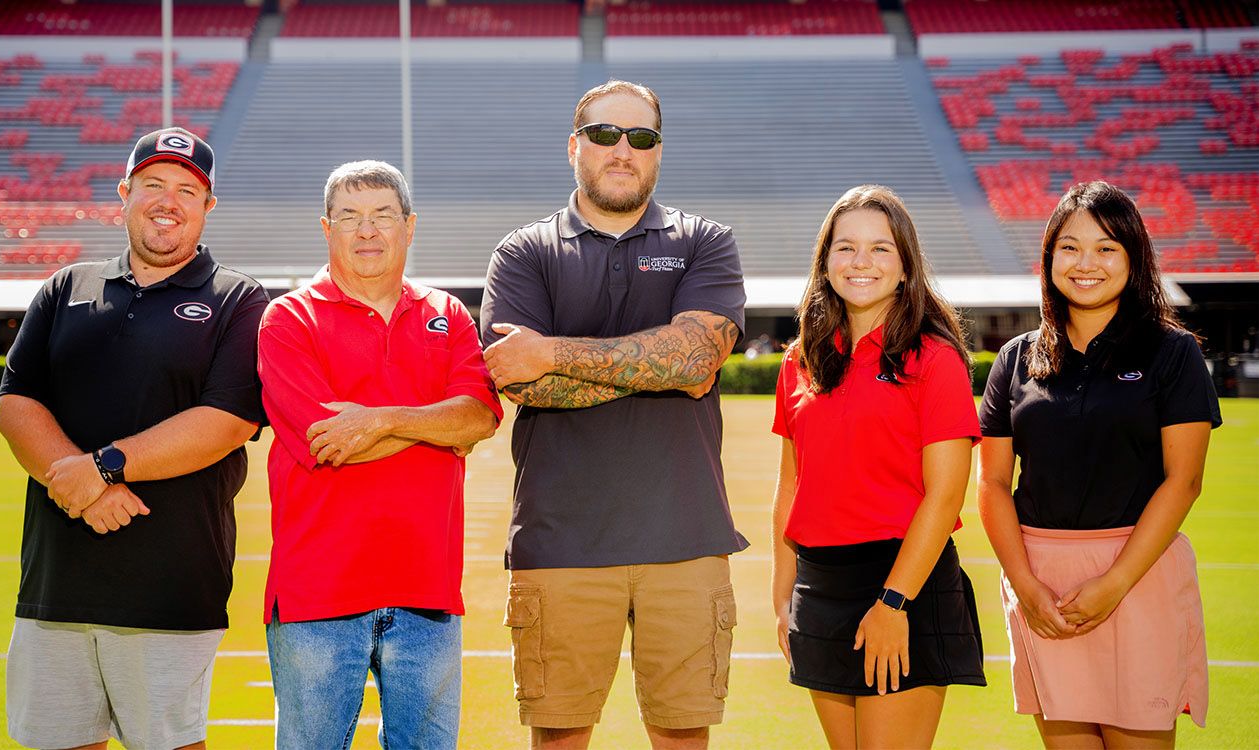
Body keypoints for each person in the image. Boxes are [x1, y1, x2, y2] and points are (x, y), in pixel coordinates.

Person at [479, 80, 747, 749]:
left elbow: (694, 360)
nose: (622, 150)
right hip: (561, 541)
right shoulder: (523, 252)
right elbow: (525, 385)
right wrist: (658, 367)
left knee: (683, 736)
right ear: (575, 146)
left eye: (642, 137)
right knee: (561, 736)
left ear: (659, 153)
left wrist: (555, 352)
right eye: (604, 134)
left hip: (685, 538)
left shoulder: (705, 240)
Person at [0, 127, 267, 750]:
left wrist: (108, 465)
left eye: (186, 189)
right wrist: (81, 481)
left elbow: (227, 420)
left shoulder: (237, 298)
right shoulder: (66, 287)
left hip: (170, 584)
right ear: (124, 193)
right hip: (55, 579)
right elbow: (16, 403)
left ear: (207, 206)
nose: (167, 200)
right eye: (153, 184)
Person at [257, 160, 502, 750]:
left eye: (383, 216)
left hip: (428, 591)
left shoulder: (447, 314)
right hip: (319, 594)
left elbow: (480, 415)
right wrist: (435, 429)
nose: (367, 231)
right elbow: (327, 441)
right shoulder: (288, 319)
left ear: (410, 226)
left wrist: (379, 419)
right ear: (326, 229)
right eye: (350, 217)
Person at [977, 181, 1219, 748]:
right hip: (1041, 587)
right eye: (1070, 247)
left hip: (1138, 575)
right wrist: (1024, 586)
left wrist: (1115, 582)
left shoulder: (1172, 352)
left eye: (1107, 247)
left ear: (1133, 259)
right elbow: (990, 483)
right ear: (1049, 257)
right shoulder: (1015, 359)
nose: (1087, 263)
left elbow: (1184, 482)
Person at [771, 185, 986, 749]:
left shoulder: (935, 360)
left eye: (880, 248)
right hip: (820, 584)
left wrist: (894, 602)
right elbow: (792, 484)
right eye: (845, 248)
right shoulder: (801, 360)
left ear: (906, 265)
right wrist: (783, 590)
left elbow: (945, 497)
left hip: (902, 582)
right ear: (825, 262)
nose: (860, 261)